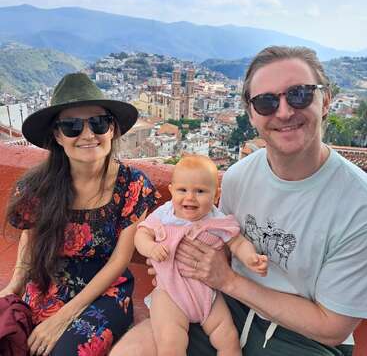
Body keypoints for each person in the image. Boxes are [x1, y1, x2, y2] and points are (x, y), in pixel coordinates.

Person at [110, 46, 367, 356]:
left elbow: (332, 327)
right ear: (251, 114)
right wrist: (178, 262)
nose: (284, 112)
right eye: (266, 102)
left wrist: (229, 281)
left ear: (325, 100)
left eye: (299, 94)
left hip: (303, 338)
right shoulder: (238, 177)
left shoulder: (357, 202)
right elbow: (216, 244)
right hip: (223, 306)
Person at [0, 73, 159, 356]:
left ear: (112, 130)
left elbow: (118, 261)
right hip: (47, 283)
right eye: (72, 126)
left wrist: (63, 318)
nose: (88, 135)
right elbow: (31, 239)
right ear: (57, 136)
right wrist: (15, 286)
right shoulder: (38, 187)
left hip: (105, 291)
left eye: (98, 123)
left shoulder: (132, 185)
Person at [133, 155, 268, 356]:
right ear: (171, 191)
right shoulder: (165, 214)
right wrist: (151, 248)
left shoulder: (217, 221)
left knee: (229, 339)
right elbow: (141, 234)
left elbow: (237, 242)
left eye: (200, 191)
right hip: (170, 293)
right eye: (182, 190)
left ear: (215, 196)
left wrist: (251, 258)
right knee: (171, 343)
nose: (190, 197)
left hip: (208, 295)